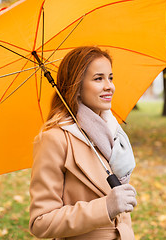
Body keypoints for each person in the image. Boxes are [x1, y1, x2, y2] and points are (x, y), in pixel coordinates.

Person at [29, 46, 137, 240]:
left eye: (110, 78)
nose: (109, 86)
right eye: (98, 79)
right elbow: (41, 221)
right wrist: (105, 207)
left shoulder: (111, 131)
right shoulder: (54, 139)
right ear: (76, 86)